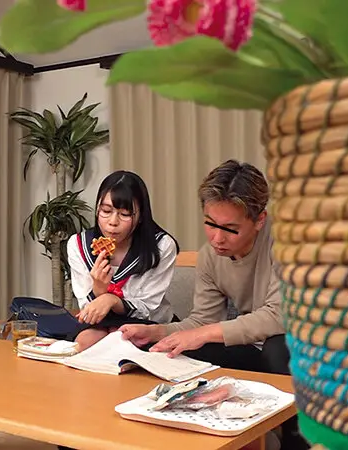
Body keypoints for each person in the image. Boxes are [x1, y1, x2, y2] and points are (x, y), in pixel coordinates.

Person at [119, 160, 307, 450]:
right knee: (183, 351)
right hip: (255, 347)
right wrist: (157, 332)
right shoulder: (210, 257)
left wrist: (204, 333)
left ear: (259, 220)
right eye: (210, 224)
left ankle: (299, 440)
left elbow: (280, 315)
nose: (217, 238)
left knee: (278, 347)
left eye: (230, 229)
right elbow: (202, 321)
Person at [66, 170, 180, 351]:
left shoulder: (161, 246)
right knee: (83, 344)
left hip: (148, 324)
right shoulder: (78, 244)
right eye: (106, 211)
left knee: (120, 341)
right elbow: (88, 309)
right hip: (101, 322)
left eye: (125, 214)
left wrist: (111, 300)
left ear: (141, 215)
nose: (113, 222)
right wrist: (98, 290)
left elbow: (148, 307)